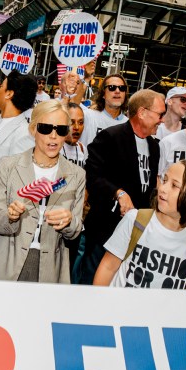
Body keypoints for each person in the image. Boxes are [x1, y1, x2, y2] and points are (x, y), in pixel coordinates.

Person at [0, 100, 84, 282]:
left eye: (61, 130)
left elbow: (75, 230)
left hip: (50, 269)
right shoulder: (8, 166)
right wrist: (9, 216)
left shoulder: (76, 174)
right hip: (4, 263)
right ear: (33, 129)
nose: (53, 136)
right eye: (45, 128)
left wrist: (68, 221)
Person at [94, 160, 186, 289]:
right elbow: (108, 267)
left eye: (174, 185)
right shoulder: (136, 220)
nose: (162, 188)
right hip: (121, 309)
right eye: (165, 180)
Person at [76, 89, 165, 283]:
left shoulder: (155, 146)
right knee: (92, 281)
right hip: (106, 229)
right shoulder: (111, 136)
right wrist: (118, 193)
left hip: (136, 231)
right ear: (142, 112)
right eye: (160, 114)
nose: (162, 120)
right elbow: (92, 175)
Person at [79, 74, 128, 147]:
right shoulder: (87, 116)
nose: (118, 91)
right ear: (103, 94)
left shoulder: (129, 126)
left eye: (122, 88)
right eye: (112, 87)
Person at [61, 102, 87, 168]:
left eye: (80, 122)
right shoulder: (54, 147)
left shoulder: (82, 148)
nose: (77, 127)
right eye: (71, 122)